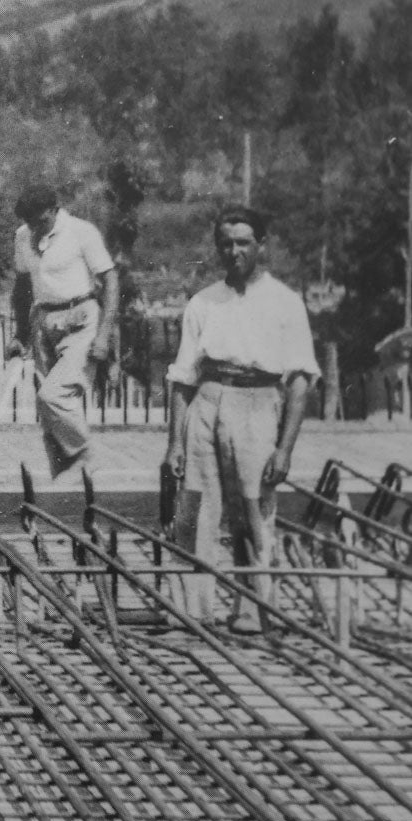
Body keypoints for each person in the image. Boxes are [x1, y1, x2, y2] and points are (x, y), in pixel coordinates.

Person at [163, 206, 318, 634]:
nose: (234, 251)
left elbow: (301, 379)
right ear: (218, 247)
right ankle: (194, 609)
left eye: (244, 242)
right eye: (226, 243)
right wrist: (174, 443)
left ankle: (251, 608)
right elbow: (182, 379)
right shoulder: (203, 302)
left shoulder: (285, 302)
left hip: (259, 402)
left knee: (252, 507)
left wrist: (285, 449)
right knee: (196, 506)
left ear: (260, 245)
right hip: (208, 400)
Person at [8, 184, 119, 476]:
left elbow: (110, 281)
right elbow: (21, 288)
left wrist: (104, 335)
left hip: (81, 319)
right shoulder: (23, 236)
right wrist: (20, 335)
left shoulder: (82, 232)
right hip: (44, 322)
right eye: (29, 222)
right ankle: (65, 481)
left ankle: (86, 453)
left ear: (55, 210)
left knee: (54, 396)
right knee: (49, 413)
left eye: (41, 221)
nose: (35, 227)